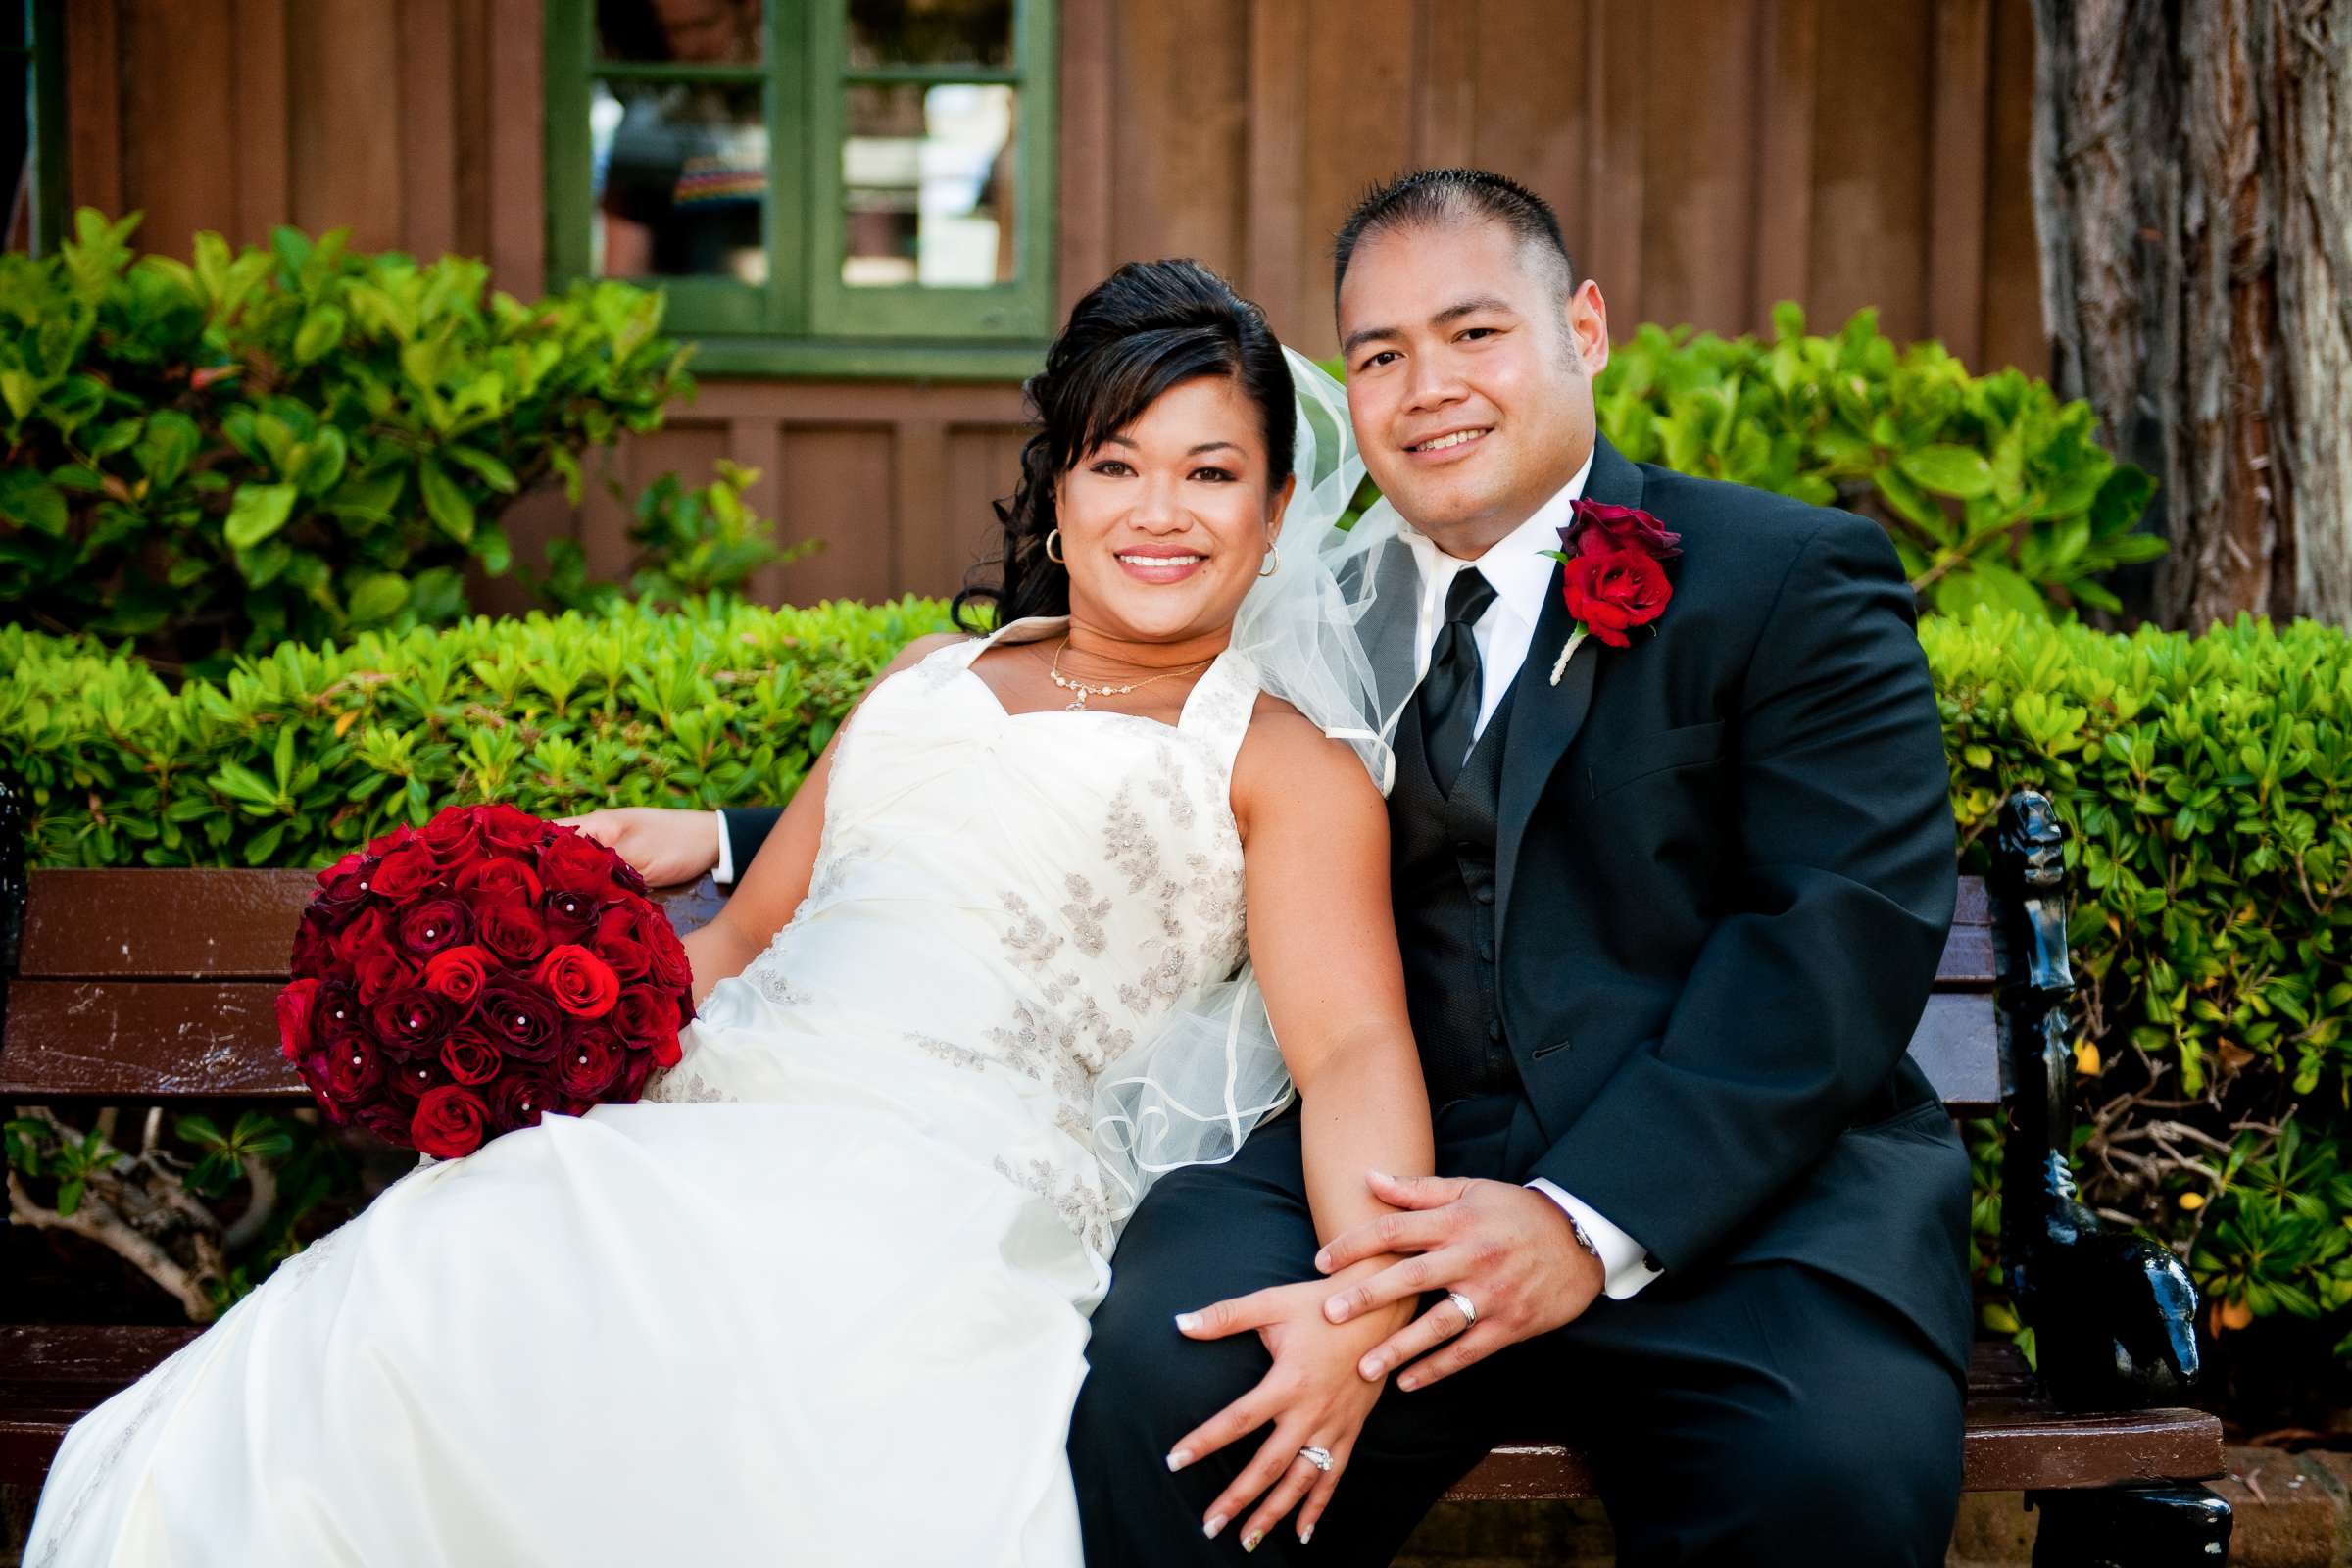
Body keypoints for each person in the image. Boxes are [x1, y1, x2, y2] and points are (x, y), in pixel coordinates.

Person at [24, 260, 1433, 1567]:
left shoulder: (1279, 765)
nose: (1157, 510)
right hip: (723, 1100)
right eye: (1114, 464)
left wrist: (1367, 1296)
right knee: (423, 1289)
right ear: (1059, 494)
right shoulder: (928, 677)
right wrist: (512, 1023)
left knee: (781, 1374)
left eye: (1210, 472)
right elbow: (744, 941)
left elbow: (1354, 1050)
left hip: (962, 1170)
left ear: (1276, 510)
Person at [674, 170, 1971, 1565]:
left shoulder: (1783, 579)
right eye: (1380, 355)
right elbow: (1082, 761)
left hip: (1731, 1213)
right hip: (1388, 1177)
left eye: (1474, 334)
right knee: (1173, 1383)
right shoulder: (1305, 601)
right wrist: (746, 837)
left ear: (1583, 329)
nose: (1429, 389)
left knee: (1826, 1478)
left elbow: (1838, 934)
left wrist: (1579, 1222)